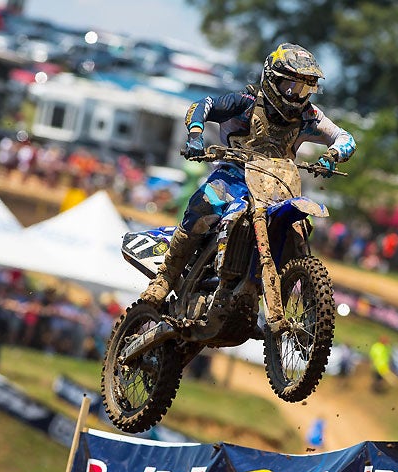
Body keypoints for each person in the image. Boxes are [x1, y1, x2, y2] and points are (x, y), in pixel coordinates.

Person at [140, 43, 357, 319]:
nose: (297, 96)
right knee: (207, 201)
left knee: (301, 224)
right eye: (292, 87)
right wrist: (195, 136)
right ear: (272, 79)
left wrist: (332, 155)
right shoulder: (246, 102)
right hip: (235, 174)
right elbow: (202, 106)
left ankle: (309, 311)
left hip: (279, 184)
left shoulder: (308, 116)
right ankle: (165, 278)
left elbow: (345, 137)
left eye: (305, 89)